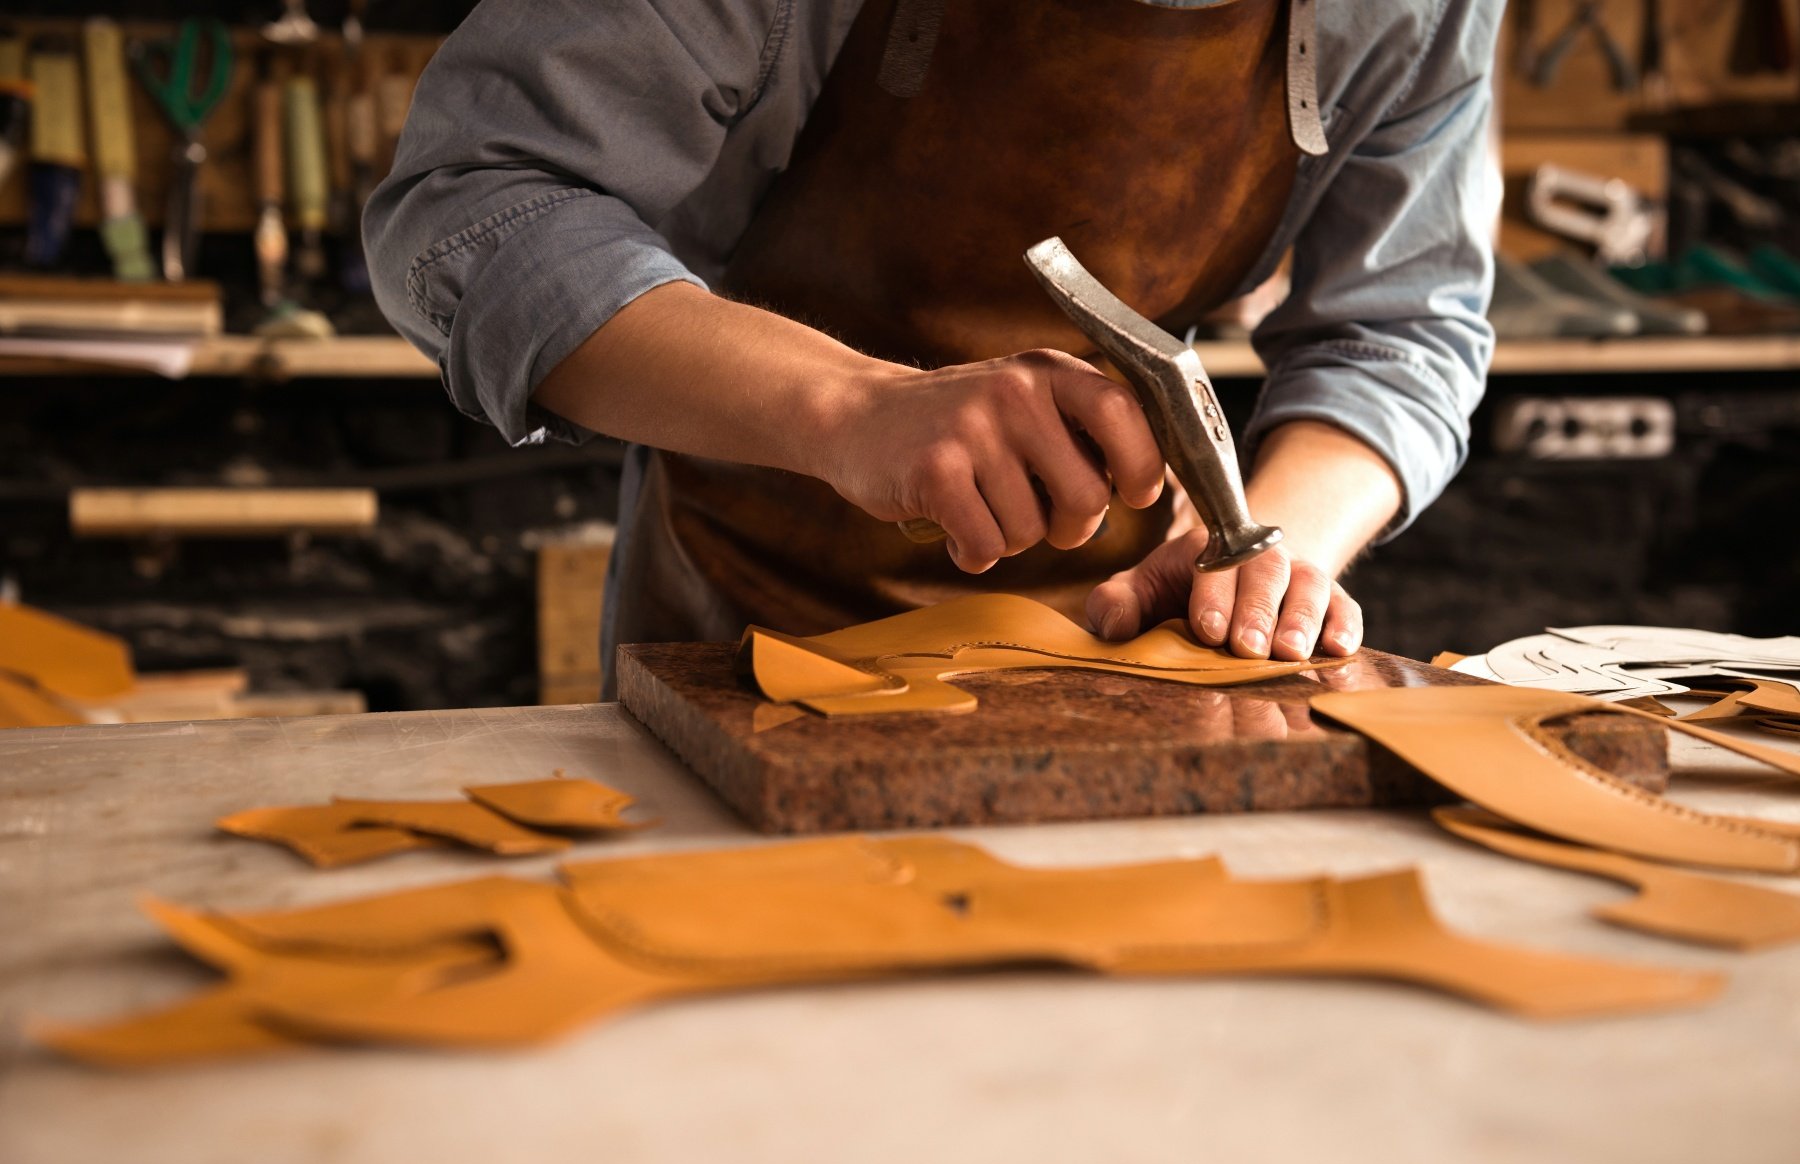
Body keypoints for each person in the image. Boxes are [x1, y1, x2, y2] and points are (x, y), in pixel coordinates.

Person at [366, 0, 1501, 695]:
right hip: (746, 627)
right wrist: (849, 406)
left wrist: (1276, 547)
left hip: (1139, 654)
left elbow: (1401, 322)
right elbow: (472, 203)